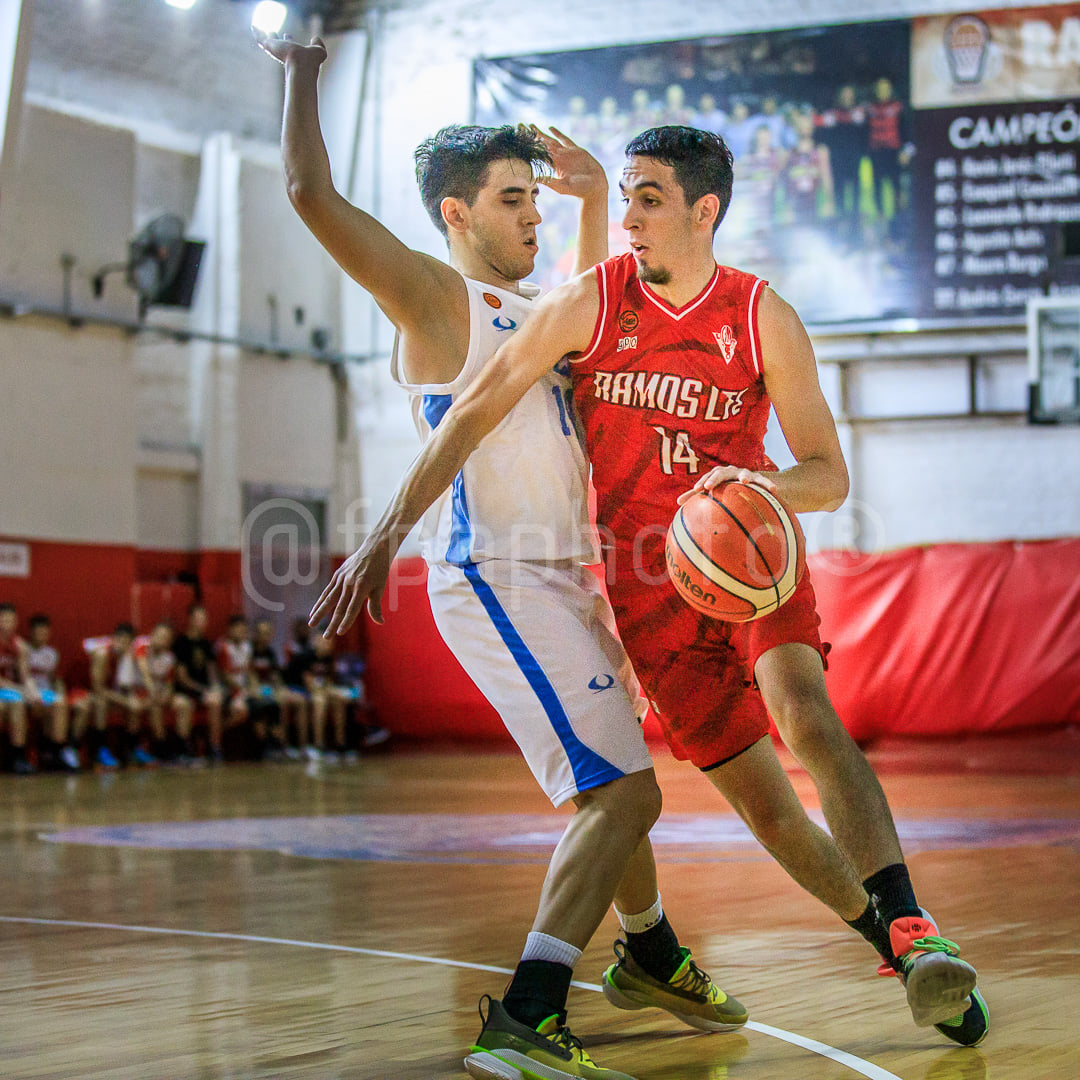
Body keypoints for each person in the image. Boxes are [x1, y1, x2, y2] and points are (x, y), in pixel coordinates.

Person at [315, 124, 988, 1050]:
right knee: (761, 803)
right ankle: (903, 956)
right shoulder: (588, 303)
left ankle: (912, 926)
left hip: (748, 559)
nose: (627, 215)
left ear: (704, 211)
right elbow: (471, 407)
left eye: (648, 198)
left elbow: (828, 474)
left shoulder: (760, 314)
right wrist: (382, 534)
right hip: (644, 590)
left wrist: (759, 488)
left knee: (804, 710)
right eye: (622, 196)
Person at [261, 33, 745, 1080]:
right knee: (623, 794)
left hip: (572, 580)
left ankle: (651, 949)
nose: (531, 214)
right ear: (456, 214)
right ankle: (525, 1015)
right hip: (497, 577)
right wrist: (301, 65)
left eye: (535, 200)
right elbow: (308, 192)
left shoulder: (538, 311)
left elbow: (578, 282)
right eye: (512, 199)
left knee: (615, 783)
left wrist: (578, 196)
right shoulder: (437, 299)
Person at [23, 613, 83, 771]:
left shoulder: (52, 654)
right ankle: (46, 751)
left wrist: (60, 693)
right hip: (27, 692)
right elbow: (22, 677)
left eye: (45, 632)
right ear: (31, 632)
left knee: (60, 703)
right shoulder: (23, 650)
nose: (42, 635)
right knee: (49, 705)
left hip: (46, 693)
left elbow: (55, 679)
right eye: (38, 631)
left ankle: (57, 751)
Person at [173, 604, 232, 762]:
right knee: (185, 705)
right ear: (190, 620)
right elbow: (182, 678)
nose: (203, 622)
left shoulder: (206, 644)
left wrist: (215, 687)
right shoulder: (181, 643)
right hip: (185, 690)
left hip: (204, 691)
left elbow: (211, 670)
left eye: (204, 618)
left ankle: (214, 747)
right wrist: (203, 690)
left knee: (216, 700)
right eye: (199, 618)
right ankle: (183, 750)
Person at [0, 602, 33, 773]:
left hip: (11, 693)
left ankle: (19, 758)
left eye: (11, 620)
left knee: (19, 703)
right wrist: (19, 689)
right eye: (4, 620)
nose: (8, 624)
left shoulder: (20, 645)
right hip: (8, 691)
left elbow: (25, 675)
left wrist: (32, 691)